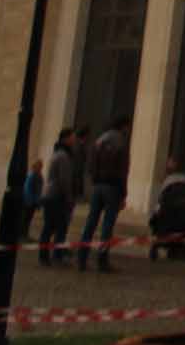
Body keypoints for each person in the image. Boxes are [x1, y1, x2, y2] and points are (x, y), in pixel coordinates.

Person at [77, 114, 130, 271]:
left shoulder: (99, 140)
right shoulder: (121, 142)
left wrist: (94, 182)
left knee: (91, 222)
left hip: (98, 186)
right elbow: (123, 170)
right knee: (107, 225)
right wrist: (123, 193)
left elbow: (90, 165)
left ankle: (82, 256)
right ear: (123, 126)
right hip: (113, 187)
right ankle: (102, 259)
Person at [37, 128, 75, 266]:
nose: (74, 140)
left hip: (50, 195)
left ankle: (46, 255)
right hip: (56, 196)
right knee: (58, 227)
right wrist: (69, 197)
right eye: (72, 137)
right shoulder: (63, 156)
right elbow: (64, 179)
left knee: (50, 227)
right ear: (65, 139)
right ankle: (54, 255)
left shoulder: (57, 154)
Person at [149, 158, 185, 260]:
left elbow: (160, 203)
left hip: (167, 220)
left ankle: (157, 247)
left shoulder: (167, 183)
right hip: (184, 221)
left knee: (156, 222)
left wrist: (153, 217)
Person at [20, 156, 44, 240]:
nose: (40, 167)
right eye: (39, 166)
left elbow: (39, 191)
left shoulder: (39, 176)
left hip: (33, 201)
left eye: (41, 166)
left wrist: (38, 202)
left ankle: (24, 233)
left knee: (28, 219)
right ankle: (22, 234)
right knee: (25, 218)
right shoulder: (32, 176)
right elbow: (28, 190)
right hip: (29, 201)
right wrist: (31, 201)